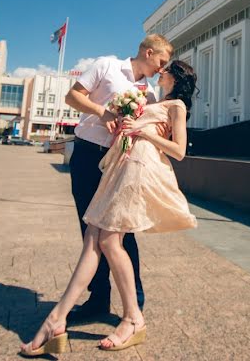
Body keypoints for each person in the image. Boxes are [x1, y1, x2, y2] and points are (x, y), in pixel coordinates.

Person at [20, 60, 198, 356]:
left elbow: (179, 150)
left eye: (165, 69)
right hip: (121, 163)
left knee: (108, 239)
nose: (159, 72)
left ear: (175, 77)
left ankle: (130, 318)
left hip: (140, 166)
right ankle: (59, 320)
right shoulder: (154, 97)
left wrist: (142, 131)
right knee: (95, 235)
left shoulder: (177, 105)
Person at [62, 35, 172, 324]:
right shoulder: (106, 66)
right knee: (89, 232)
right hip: (87, 155)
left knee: (125, 232)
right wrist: (102, 112)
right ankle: (98, 299)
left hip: (119, 163)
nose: (162, 69)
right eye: (161, 62)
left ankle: (133, 303)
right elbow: (72, 96)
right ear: (149, 53)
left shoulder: (148, 94)